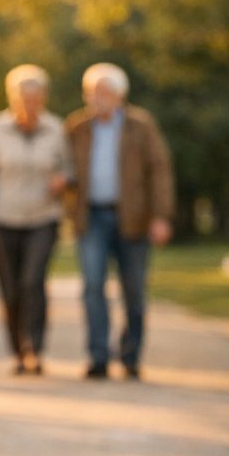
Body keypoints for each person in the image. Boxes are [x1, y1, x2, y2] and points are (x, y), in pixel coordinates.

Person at [64, 62, 174, 380]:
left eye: (105, 93)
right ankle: (98, 356)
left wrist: (161, 216)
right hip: (92, 217)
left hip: (134, 217)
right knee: (93, 286)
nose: (99, 98)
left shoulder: (141, 125)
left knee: (134, 290)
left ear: (120, 95)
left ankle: (131, 356)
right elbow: (64, 166)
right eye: (93, 93)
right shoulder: (77, 126)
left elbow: (160, 170)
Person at [0, 64, 72, 375]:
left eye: (36, 97)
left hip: (43, 218)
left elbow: (69, 168)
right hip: (3, 218)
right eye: (24, 97)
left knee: (33, 282)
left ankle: (34, 349)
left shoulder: (56, 128)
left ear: (43, 97)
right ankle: (16, 350)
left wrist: (63, 180)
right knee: (10, 288)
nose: (30, 103)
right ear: (13, 98)